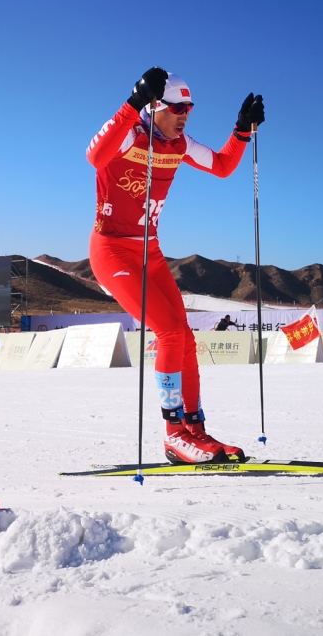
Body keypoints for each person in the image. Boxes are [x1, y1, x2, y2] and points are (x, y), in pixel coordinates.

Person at [87, 66, 264, 464]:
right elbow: (94, 156)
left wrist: (241, 130)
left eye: (190, 107)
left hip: (150, 252)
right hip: (112, 251)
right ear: (155, 107)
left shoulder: (179, 144)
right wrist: (132, 102)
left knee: (183, 336)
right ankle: (174, 436)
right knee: (168, 332)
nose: (185, 114)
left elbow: (221, 166)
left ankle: (194, 431)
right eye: (178, 107)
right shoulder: (129, 133)